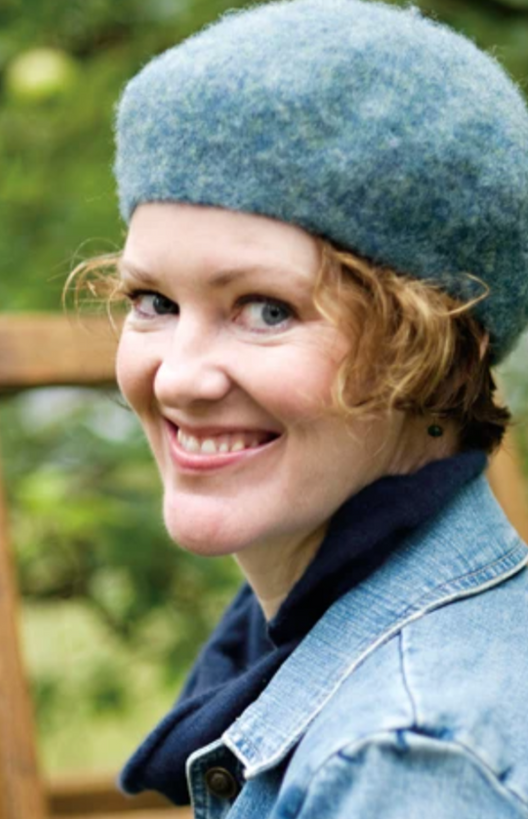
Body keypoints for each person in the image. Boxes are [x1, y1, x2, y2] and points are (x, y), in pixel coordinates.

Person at [76, 0, 528, 815]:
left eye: (267, 310)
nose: (179, 379)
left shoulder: (408, 761)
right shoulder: (304, 638)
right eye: (154, 301)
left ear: (430, 350)